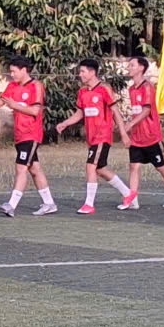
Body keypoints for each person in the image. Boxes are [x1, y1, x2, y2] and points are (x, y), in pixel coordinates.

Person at [0, 56, 57, 217]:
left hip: (31, 134)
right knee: (34, 169)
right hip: (19, 134)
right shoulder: (12, 86)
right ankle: (49, 203)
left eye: (14, 71)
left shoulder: (36, 86)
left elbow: (35, 111)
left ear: (24, 70)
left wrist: (15, 105)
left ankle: (11, 205)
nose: (11, 75)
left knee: (21, 168)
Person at [55, 59, 135, 214]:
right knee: (100, 169)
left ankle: (89, 204)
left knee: (90, 166)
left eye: (83, 71)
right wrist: (65, 123)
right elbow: (80, 113)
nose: (80, 74)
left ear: (92, 72)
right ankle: (128, 193)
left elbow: (115, 112)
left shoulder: (104, 89)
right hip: (91, 138)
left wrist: (123, 133)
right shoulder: (82, 92)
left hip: (102, 136)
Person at [125, 57, 164, 208]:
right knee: (134, 166)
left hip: (151, 136)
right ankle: (133, 200)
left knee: (160, 166)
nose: (128, 68)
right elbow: (136, 111)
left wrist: (130, 124)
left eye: (132, 65)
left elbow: (146, 110)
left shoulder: (147, 87)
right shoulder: (131, 89)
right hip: (137, 137)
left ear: (141, 68)